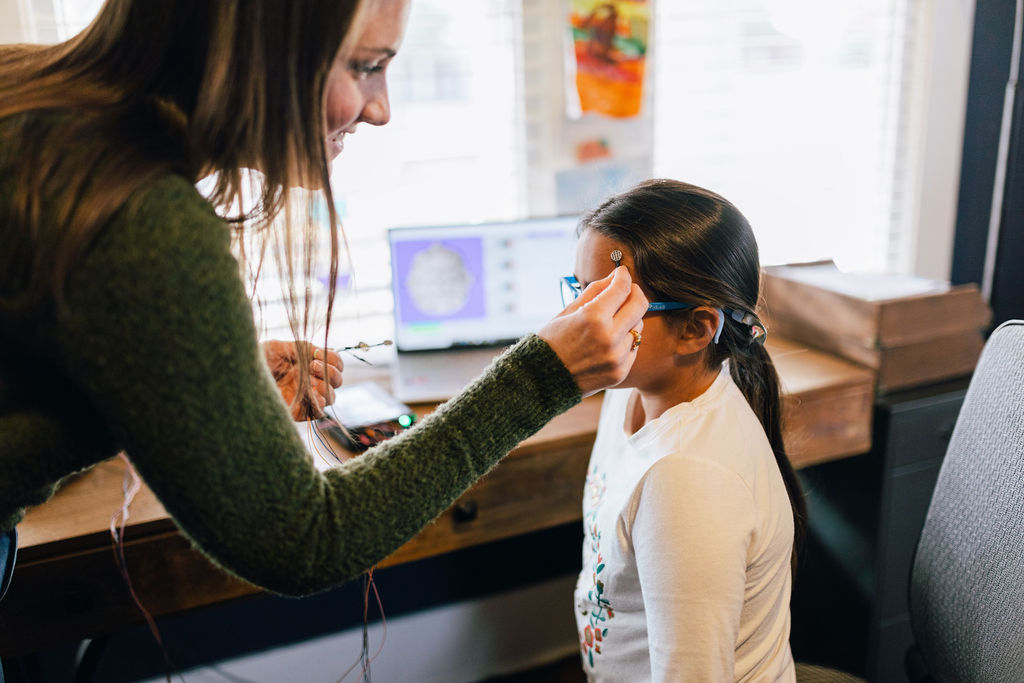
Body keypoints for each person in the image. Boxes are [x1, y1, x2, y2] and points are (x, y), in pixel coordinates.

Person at [0, 0, 648, 613]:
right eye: (364, 66)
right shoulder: (143, 222)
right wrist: (540, 376)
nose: (380, 110)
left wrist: (188, 385)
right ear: (253, 45)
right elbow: (305, 539)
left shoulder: (26, 92)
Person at [568, 179, 805, 682]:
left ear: (696, 329)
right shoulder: (628, 386)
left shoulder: (685, 478)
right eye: (579, 291)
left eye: (610, 303)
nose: (575, 321)